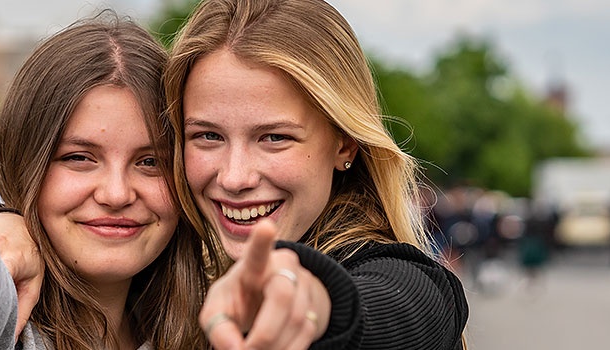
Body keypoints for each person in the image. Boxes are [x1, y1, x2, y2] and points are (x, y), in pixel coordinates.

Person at [0, 15, 218, 349]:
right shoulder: (5, 319)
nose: (116, 193)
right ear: (24, 163)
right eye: (79, 158)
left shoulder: (215, 321)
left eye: (150, 162)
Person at [165, 0, 469, 347]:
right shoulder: (171, 280)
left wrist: (320, 307)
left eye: (275, 137)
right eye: (208, 136)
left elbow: (407, 304)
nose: (234, 178)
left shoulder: (397, 276)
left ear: (345, 144)